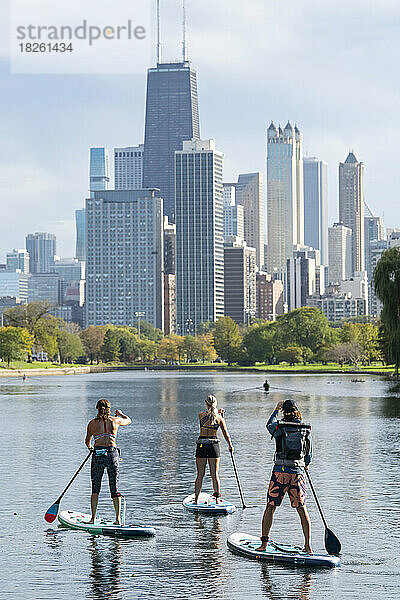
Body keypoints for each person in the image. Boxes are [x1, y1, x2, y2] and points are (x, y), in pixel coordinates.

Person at [255, 399, 313, 553]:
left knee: (270, 507)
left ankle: (264, 544)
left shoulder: (278, 427)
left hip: (280, 472)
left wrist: (275, 409)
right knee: (302, 509)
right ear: (297, 411)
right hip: (297, 473)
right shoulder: (305, 428)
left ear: (284, 411)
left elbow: (268, 424)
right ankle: (307, 546)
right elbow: (309, 455)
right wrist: (305, 464)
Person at [85, 398, 131, 525]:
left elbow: (87, 441)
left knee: (95, 489)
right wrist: (120, 413)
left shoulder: (92, 424)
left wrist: (90, 448)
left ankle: (93, 518)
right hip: (112, 455)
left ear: (97, 409)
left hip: (98, 455)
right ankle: (117, 519)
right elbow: (128, 420)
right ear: (109, 409)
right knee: (114, 488)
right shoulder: (115, 420)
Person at [195, 395, 233, 504]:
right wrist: (230, 445)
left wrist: (216, 412)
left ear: (206, 404)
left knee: (200, 474)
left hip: (202, 445)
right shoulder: (219, 418)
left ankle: (196, 500)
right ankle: (217, 499)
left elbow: (208, 416)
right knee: (214, 474)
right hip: (213, 445)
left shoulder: (201, 416)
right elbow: (226, 434)